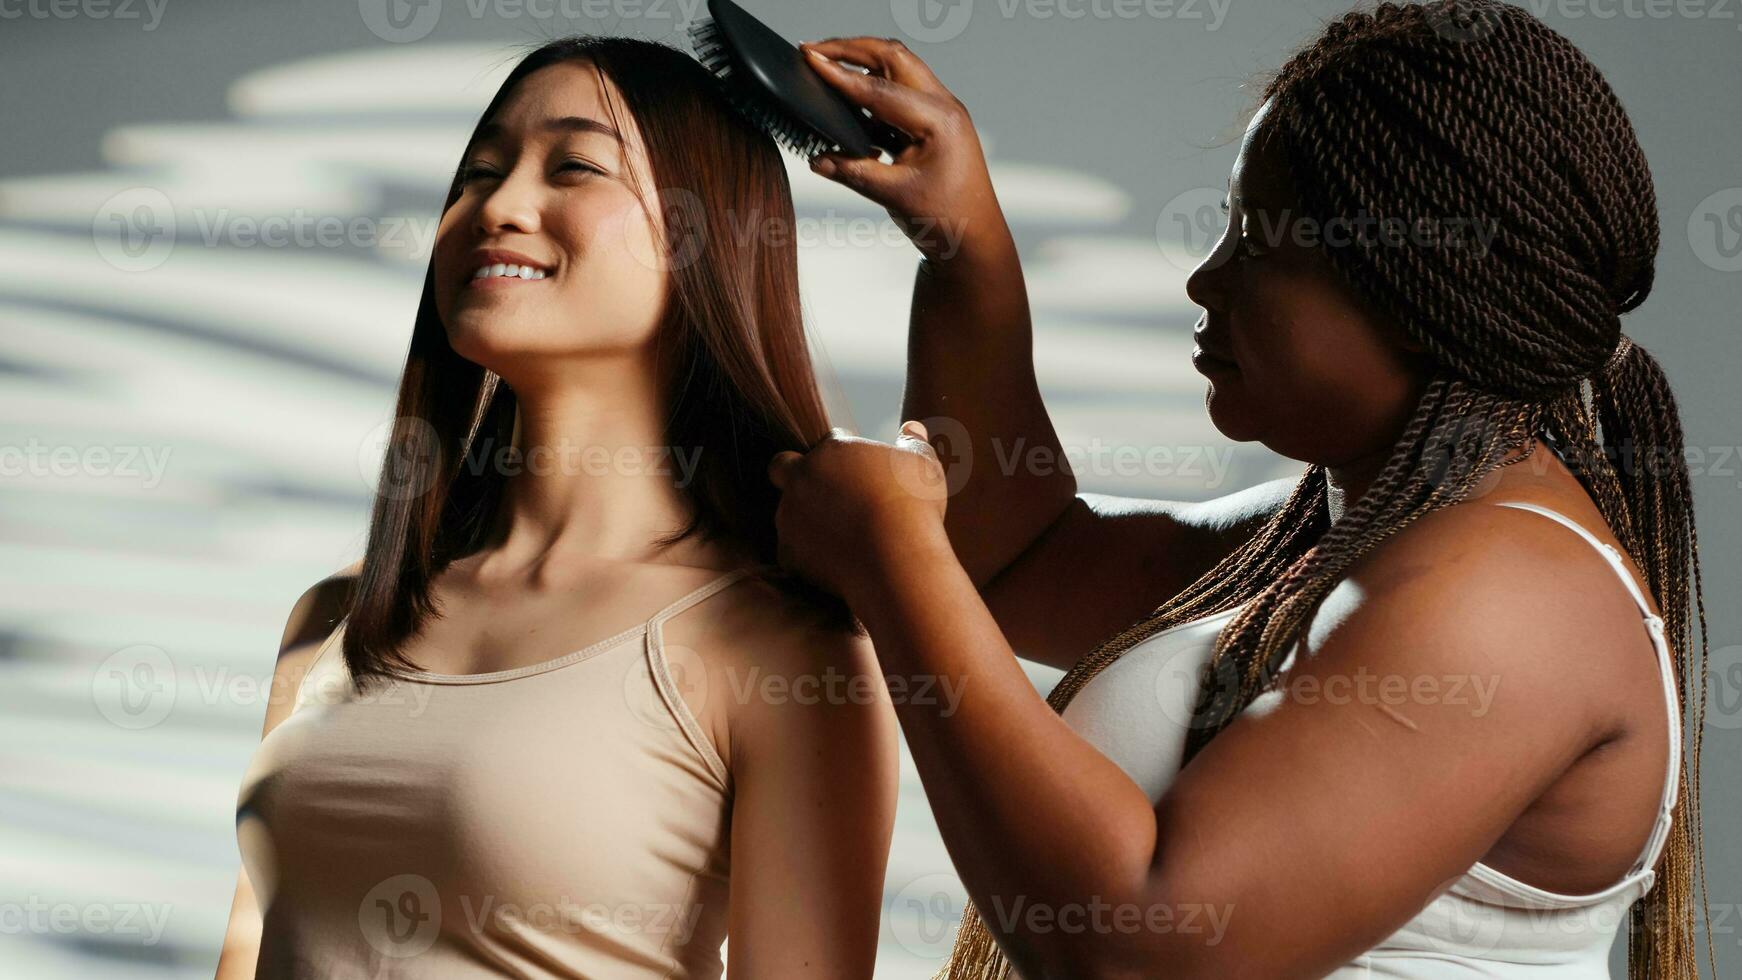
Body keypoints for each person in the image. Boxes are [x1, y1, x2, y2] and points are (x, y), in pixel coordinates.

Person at [772, 2, 1710, 976]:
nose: (1203, 281)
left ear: (1421, 287)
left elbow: (1145, 947)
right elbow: (1018, 558)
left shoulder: (1511, 592)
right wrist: (964, 244)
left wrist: (890, 555)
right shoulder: (1363, 532)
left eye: (1260, 247)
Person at [213, 36, 898, 980]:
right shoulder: (342, 616)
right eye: (478, 172)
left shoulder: (782, 648)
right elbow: (247, 953)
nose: (498, 205)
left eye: (574, 166)